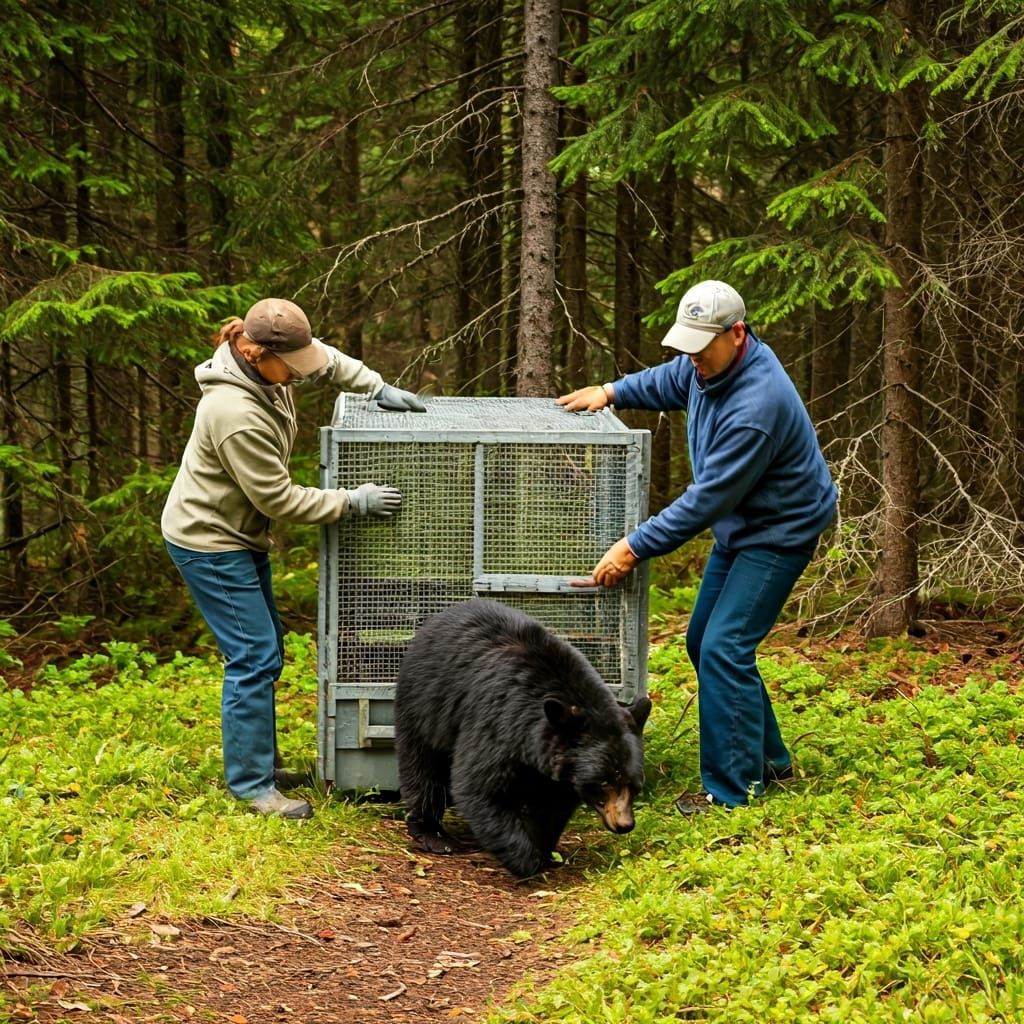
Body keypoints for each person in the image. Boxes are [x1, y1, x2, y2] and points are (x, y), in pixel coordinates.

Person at [557, 280, 836, 814]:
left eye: (700, 349)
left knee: (724, 647)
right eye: (686, 347)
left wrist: (633, 546)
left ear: (737, 333)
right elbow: (674, 379)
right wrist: (612, 392)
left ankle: (731, 791)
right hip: (744, 527)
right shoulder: (713, 364)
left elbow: (706, 499)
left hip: (780, 532)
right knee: (702, 640)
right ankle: (770, 761)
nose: (692, 360)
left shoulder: (757, 408)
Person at [162, 297, 426, 819]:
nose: (300, 376)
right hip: (208, 540)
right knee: (253, 656)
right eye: (291, 367)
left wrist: (375, 385)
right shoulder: (232, 412)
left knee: (268, 648)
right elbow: (277, 499)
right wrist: (353, 501)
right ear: (256, 352)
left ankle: (261, 761)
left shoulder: (276, 357)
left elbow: (324, 360)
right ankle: (252, 786)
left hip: (238, 534)